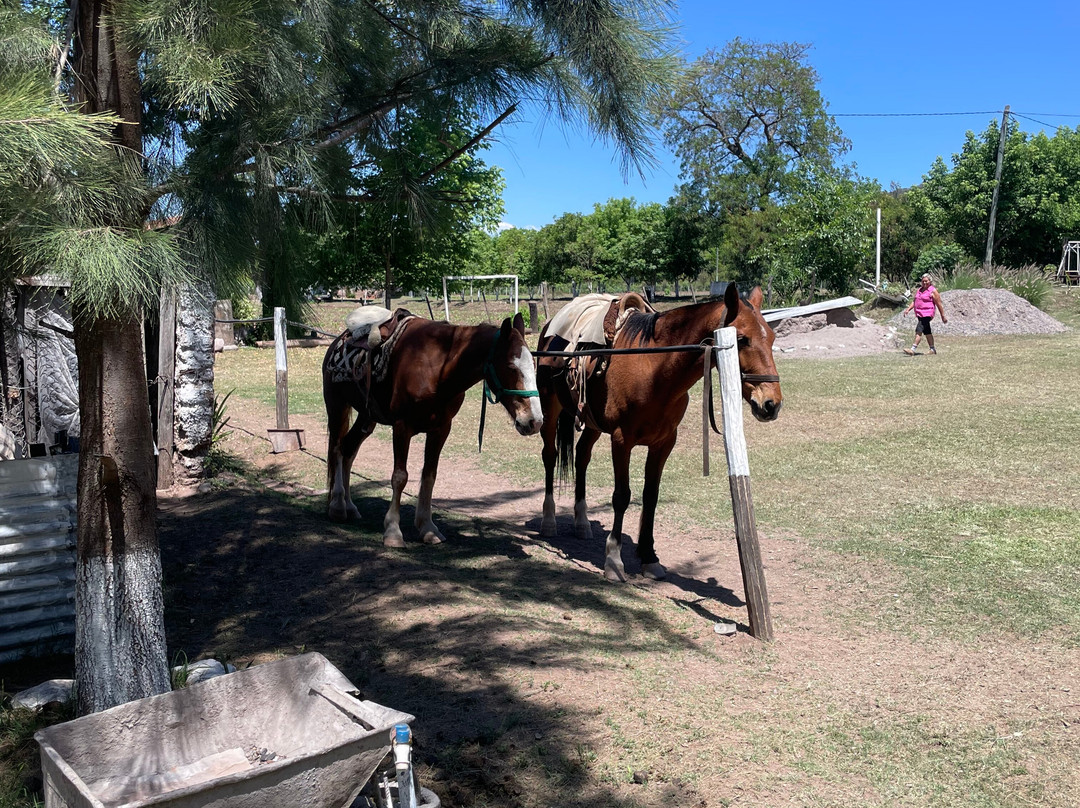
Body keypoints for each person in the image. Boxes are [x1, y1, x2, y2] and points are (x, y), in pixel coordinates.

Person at [902, 273, 947, 355]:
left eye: (926, 281)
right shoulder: (919, 290)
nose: (924, 283)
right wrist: (908, 309)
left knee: (919, 329)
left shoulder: (933, 291)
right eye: (923, 281)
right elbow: (915, 301)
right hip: (920, 313)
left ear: (930, 281)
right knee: (927, 331)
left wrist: (943, 316)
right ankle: (932, 349)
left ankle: (913, 349)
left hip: (927, 314)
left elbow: (939, 304)